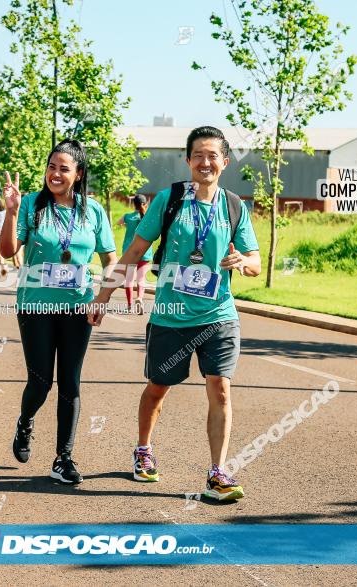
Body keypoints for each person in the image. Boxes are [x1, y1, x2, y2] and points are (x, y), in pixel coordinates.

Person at [89, 126, 262, 502]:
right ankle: (143, 448)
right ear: (188, 160)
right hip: (171, 316)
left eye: (213, 155)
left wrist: (243, 261)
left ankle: (217, 473)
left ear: (225, 162)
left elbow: (255, 261)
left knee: (220, 388)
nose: (205, 162)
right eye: (198, 155)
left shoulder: (234, 206)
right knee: (158, 389)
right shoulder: (169, 200)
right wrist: (103, 296)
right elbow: (134, 251)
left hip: (218, 314)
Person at [0, 139, 117, 485]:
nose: (55, 174)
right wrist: (10, 211)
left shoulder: (93, 211)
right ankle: (25, 421)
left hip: (77, 307)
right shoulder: (32, 204)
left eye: (64, 168)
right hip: (36, 306)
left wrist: (103, 298)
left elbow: (111, 259)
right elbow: (8, 251)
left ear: (78, 174)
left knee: (70, 382)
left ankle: (63, 458)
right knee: (40, 382)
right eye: (51, 167)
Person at [116, 195, 153, 314]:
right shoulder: (148, 217)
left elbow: (118, 223)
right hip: (145, 252)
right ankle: (140, 298)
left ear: (134, 204)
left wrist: (126, 225)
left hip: (129, 252)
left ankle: (129, 304)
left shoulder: (128, 216)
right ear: (145, 204)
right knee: (141, 279)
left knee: (129, 280)